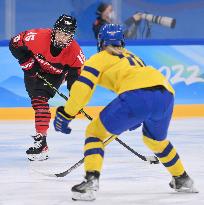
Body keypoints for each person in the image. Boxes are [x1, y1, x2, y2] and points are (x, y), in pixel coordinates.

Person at [53, 24, 198, 201]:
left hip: (136, 97)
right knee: (155, 140)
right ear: (122, 41)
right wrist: (138, 113)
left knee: (94, 132)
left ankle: (90, 183)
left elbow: (83, 89)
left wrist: (67, 113)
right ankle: (182, 178)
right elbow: (141, 84)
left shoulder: (99, 58)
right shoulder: (133, 57)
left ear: (100, 42)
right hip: (166, 95)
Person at [9, 14, 85, 161]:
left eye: (67, 35)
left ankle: (41, 142)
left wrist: (75, 97)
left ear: (72, 36)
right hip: (33, 69)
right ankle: (42, 144)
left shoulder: (75, 52)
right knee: (37, 103)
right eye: (61, 33)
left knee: (40, 101)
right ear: (54, 30)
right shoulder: (36, 36)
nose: (63, 38)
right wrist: (26, 61)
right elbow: (14, 43)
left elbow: (75, 78)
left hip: (56, 75)